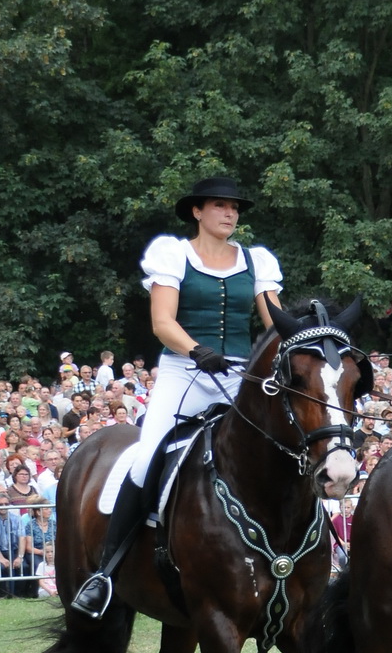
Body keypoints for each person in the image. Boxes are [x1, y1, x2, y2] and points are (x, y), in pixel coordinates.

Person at [72, 176, 284, 616]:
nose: (230, 214)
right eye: (221, 206)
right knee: (148, 454)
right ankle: (105, 571)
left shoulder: (256, 260)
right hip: (183, 370)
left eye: (235, 208)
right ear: (197, 212)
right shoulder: (173, 254)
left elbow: (276, 322)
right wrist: (197, 350)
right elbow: (162, 322)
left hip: (239, 376)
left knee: (283, 447)